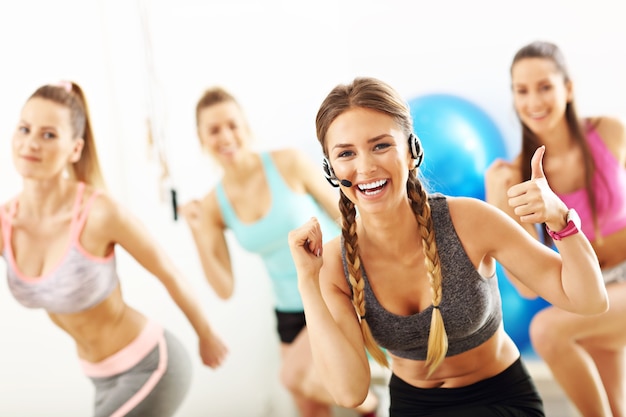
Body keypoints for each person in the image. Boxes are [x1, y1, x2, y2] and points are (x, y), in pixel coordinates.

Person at [287, 76, 609, 417]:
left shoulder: (469, 220)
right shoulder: (336, 265)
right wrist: (308, 282)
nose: (365, 167)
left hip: (499, 401)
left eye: (381, 145)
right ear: (331, 169)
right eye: (346, 153)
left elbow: (589, 300)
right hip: (413, 406)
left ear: (411, 152)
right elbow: (349, 392)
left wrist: (561, 219)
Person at [0, 81, 228, 417]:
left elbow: (168, 272)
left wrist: (206, 335)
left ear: (75, 149)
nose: (31, 142)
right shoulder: (6, 222)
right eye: (25, 129)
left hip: (151, 364)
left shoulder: (98, 213)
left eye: (49, 134)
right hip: (98, 377)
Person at [178, 86, 380, 417]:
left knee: (293, 377)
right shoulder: (214, 204)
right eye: (214, 130)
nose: (226, 136)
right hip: (288, 308)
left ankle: (374, 406)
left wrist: (368, 277)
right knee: (308, 403)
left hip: (333, 288)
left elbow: (345, 217)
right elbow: (223, 287)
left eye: (232, 124)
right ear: (201, 139)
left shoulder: (287, 162)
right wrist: (198, 230)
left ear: (246, 126)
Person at [485, 40, 626, 417]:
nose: (534, 101)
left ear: (568, 87)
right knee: (614, 408)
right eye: (522, 91)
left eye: (545, 86)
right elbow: (528, 288)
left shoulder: (610, 133)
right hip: (592, 290)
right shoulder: (516, 174)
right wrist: (499, 199)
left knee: (547, 331)